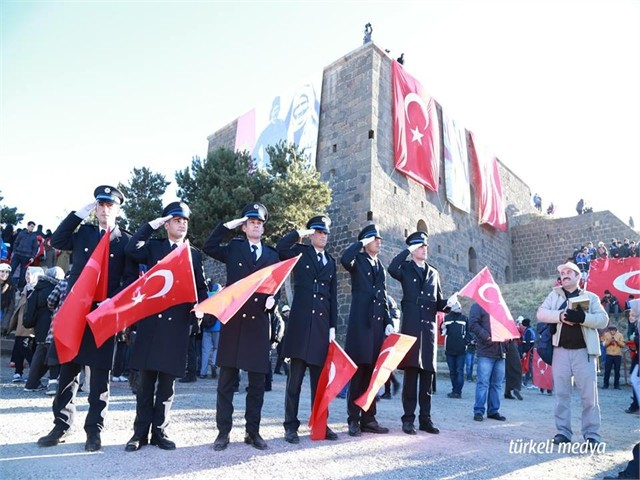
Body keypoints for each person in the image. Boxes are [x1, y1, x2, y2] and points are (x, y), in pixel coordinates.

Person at [37, 185, 137, 452]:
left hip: (103, 313)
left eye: (110, 206)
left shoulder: (124, 241)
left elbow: (129, 279)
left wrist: (113, 300)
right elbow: (58, 240)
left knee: (100, 375)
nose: (105, 210)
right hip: (76, 311)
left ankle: (94, 431)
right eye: (100, 205)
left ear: (118, 209)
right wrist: (80, 213)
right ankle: (61, 425)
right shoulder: (84, 233)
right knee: (68, 369)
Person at [123, 201, 210, 452]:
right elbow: (131, 248)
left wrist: (201, 309)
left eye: (185, 220)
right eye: (176, 219)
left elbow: (201, 288)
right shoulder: (154, 247)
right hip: (152, 323)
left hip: (177, 325)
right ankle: (139, 433)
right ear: (167, 223)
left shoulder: (193, 253)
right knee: (146, 383)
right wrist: (151, 226)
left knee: (167, 386)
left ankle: (160, 431)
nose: (182, 223)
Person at [203, 203, 279, 451]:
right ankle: (223, 433)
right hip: (234, 322)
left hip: (258, 324)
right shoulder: (234, 248)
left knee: (257, 384)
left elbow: (275, 285)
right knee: (226, 382)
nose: (256, 225)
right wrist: (228, 226)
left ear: (263, 228)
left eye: (259, 223)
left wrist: (273, 301)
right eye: (251, 222)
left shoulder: (271, 255)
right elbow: (209, 246)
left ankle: (252, 432)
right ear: (244, 227)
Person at [276, 215, 339, 443]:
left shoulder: (331, 262)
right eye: (318, 232)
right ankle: (290, 426)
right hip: (301, 326)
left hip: (321, 329)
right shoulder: (301, 252)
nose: (322, 236)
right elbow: (281, 248)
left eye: (325, 233)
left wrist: (332, 327)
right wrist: (301, 233)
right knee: (294, 382)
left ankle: (320, 423)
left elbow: (332, 298)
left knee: (319, 383)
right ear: (312, 234)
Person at [536, 261, 608, 445]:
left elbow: (603, 320)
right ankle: (563, 433)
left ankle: (592, 435)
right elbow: (541, 314)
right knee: (561, 395)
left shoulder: (591, 297)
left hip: (584, 352)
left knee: (589, 396)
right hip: (560, 352)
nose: (565, 274)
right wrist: (559, 316)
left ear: (578, 277)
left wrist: (583, 318)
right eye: (563, 272)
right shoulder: (554, 295)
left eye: (569, 272)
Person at [388, 230, 452, 434]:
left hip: (429, 329)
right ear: (413, 249)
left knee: (427, 377)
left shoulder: (434, 272)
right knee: (411, 376)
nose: (425, 249)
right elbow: (391, 268)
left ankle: (426, 419)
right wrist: (407, 250)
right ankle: (408, 419)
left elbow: (439, 302)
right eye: (420, 246)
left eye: (425, 246)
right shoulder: (405, 268)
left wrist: (449, 304)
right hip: (412, 327)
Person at [341, 224, 392, 437]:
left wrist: (388, 320)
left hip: (377, 327)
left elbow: (384, 295)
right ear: (365, 242)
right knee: (359, 372)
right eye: (374, 238)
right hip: (361, 325)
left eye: (379, 238)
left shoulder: (379, 265)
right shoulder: (358, 260)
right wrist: (360, 242)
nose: (379, 241)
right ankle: (353, 419)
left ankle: (369, 418)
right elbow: (345, 259)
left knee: (373, 375)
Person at [23, 266, 64, 392]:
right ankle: (42, 383)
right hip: (52, 325)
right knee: (48, 355)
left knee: (41, 353)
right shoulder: (57, 288)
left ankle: (32, 383)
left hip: (39, 326)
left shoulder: (38, 287)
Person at [469, 303, 507, 422]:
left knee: (497, 384)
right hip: (486, 351)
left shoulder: (500, 305)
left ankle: (493, 411)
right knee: (483, 383)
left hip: (501, 351)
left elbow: (507, 324)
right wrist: (486, 337)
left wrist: (508, 340)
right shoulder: (478, 305)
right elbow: (472, 324)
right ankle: (479, 411)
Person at [7, 266, 43, 382]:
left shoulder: (36, 289)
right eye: (26, 274)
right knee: (19, 345)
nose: (27, 277)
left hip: (30, 323)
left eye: (29, 274)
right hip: (21, 322)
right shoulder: (27, 288)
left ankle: (34, 371)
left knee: (25, 346)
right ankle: (18, 371)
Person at [441, 300, 468, 399]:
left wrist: (465, 342)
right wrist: (442, 327)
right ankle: (456, 390)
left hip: (459, 349)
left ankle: (457, 391)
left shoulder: (465, 319)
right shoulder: (446, 318)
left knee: (457, 371)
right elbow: (443, 332)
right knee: (454, 371)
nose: (459, 309)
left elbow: (468, 332)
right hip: (450, 348)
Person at [200, 283, 222, 380]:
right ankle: (213, 363)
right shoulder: (220, 297)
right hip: (217, 328)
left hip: (206, 328)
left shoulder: (206, 296)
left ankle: (203, 372)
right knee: (217, 348)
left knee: (205, 351)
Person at [9, 221, 39, 290]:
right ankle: (7, 283)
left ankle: (20, 288)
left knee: (23, 273)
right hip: (18, 254)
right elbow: (16, 242)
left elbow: (35, 247)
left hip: (27, 256)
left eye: (33, 227)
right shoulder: (21, 233)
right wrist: (14, 251)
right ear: (28, 226)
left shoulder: (34, 236)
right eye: (31, 226)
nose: (32, 228)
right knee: (11, 269)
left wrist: (32, 257)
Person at [601, 325, 625, 390]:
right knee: (607, 370)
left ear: (616, 330)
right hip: (609, 355)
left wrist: (617, 341)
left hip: (618, 355)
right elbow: (603, 344)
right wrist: (609, 341)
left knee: (617, 371)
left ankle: (616, 385)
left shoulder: (620, 335)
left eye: (614, 330)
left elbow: (623, 344)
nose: (612, 332)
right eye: (611, 330)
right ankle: (605, 384)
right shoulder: (606, 334)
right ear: (609, 330)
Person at [273, 305, 290, 376]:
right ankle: (287, 371)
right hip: (280, 340)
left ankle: (277, 369)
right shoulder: (281, 320)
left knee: (281, 356)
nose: (288, 313)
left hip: (284, 340)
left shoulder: (288, 320)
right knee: (282, 355)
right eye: (287, 312)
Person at [0, 263, 16, 336]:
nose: (4, 274)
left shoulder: (11, 286)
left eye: (7, 272)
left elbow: (11, 307)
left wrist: (4, 327)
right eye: (2, 271)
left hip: (3, 315)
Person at [520, 318, 536, 387]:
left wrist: (525, 352)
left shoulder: (528, 331)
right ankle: (527, 382)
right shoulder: (530, 330)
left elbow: (527, 343)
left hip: (529, 351)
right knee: (529, 367)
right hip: (531, 350)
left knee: (529, 366)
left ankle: (533, 382)